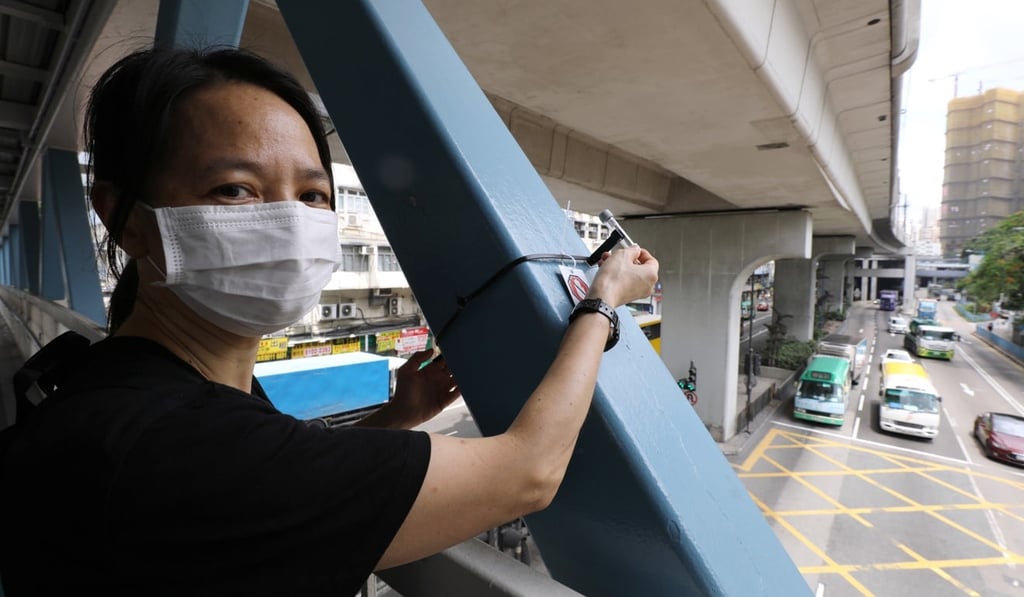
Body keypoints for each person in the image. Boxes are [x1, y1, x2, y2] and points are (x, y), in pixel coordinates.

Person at [0, 47, 659, 595]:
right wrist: (603, 302)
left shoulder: (127, 390)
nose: (288, 221)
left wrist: (399, 414)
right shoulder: (177, 445)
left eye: (313, 195)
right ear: (126, 218)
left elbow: (279, 488)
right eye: (236, 189)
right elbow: (528, 471)